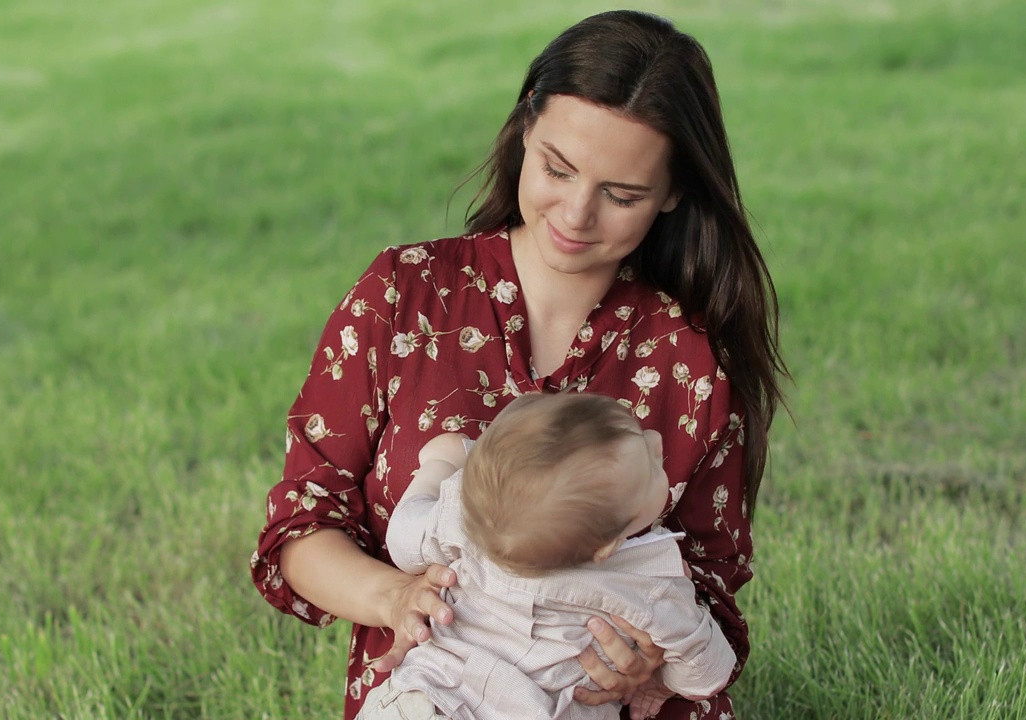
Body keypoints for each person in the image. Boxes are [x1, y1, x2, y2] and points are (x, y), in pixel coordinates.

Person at [251, 9, 786, 720]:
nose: (575, 213)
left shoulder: (686, 360)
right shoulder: (405, 296)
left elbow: (711, 590)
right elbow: (300, 526)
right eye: (556, 169)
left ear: (674, 194)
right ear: (523, 133)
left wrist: (647, 665)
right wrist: (396, 597)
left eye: (621, 195)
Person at [359, 391, 737, 720]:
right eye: (654, 467)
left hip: (427, 702)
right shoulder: (652, 583)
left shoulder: (470, 517)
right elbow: (709, 670)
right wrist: (659, 683)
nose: (656, 439)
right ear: (605, 548)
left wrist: (438, 468)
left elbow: (405, 540)